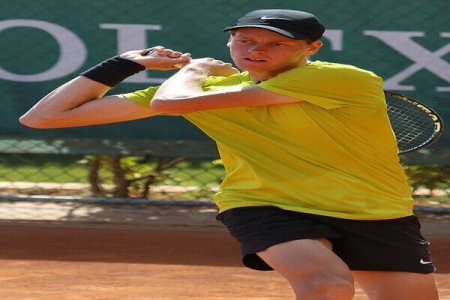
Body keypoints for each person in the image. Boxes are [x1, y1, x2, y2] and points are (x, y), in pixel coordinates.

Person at [20, 9, 439, 300]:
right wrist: (124, 63)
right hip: (268, 204)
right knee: (327, 286)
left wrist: (194, 72)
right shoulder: (196, 91)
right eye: (245, 40)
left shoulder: (343, 79)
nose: (256, 50)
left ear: (312, 47)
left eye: (275, 43)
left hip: (376, 210)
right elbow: (43, 118)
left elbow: (171, 104)